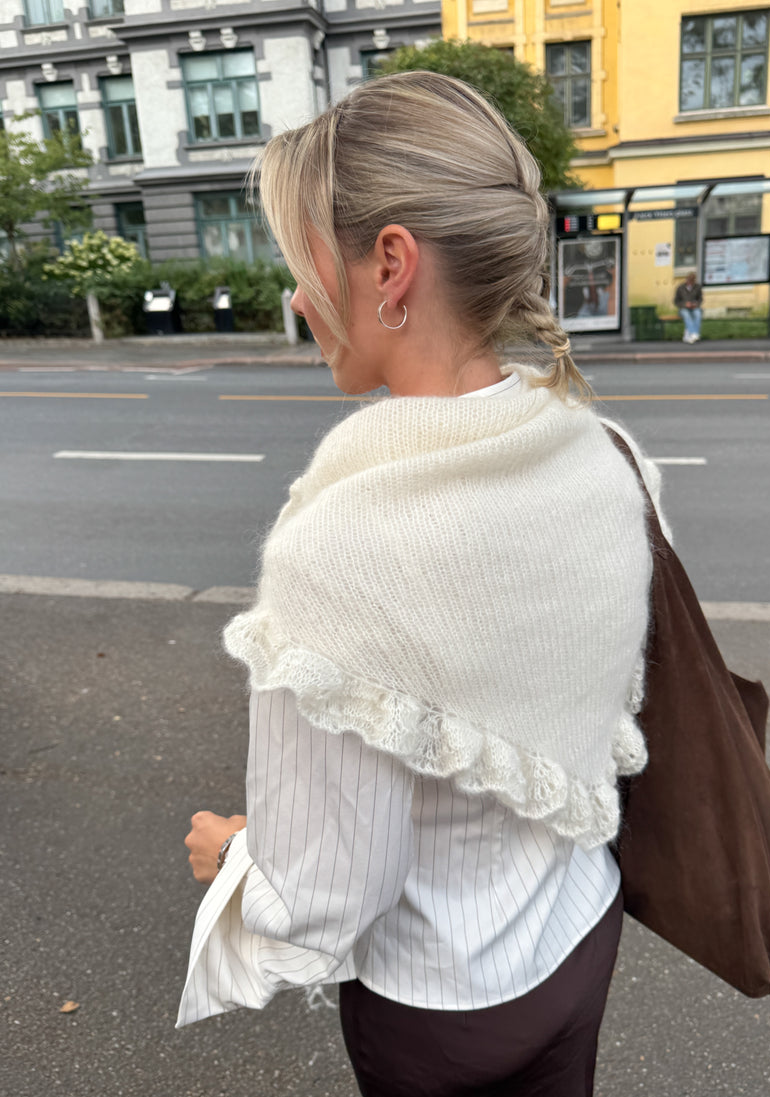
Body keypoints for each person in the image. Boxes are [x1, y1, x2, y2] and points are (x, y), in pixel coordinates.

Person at [179, 71, 667, 1097]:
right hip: (580, 925)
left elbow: (326, 893)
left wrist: (234, 854)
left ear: (391, 265)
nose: (297, 297)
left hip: (441, 1002)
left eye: (304, 259)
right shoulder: (603, 453)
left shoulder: (345, 545)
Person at [674, 271, 703, 343]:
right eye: (689, 281)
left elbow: (700, 299)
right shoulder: (680, 288)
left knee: (698, 313)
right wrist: (685, 304)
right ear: (686, 280)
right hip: (683, 308)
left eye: (692, 281)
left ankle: (694, 334)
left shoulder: (697, 287)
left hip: (694, 308)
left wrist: (695, 304)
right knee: (686, 315)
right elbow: (676, 301)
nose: (690, 283)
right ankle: (693, 333)